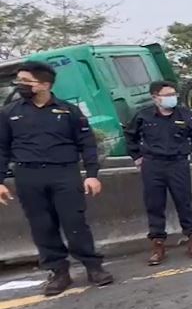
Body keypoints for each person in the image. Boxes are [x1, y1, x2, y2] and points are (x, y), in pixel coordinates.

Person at [0, 61, 114, 295]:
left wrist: (92, 175)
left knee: (75, 222)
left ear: (44, 84)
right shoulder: (9, 112)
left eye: (25, 81)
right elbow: (1, 148)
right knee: (42, 225)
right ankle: (58, 272)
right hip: (28, 175)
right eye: (19, 81)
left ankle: (93, 266)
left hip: (64, 173)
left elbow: (87, 143)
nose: (19, 85)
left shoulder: (68, 111)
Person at [125, 81, 192, 265]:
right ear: (155, 97)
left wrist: (187, 149)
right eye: (167, 94)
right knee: (154, 204)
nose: (172, 97)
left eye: (174, 94)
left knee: (184, 201)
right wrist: (136, 156)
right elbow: (130, 135)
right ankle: (158, 245)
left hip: (177, 163)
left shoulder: (185, 115)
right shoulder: (143, 115)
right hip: (152, 164)